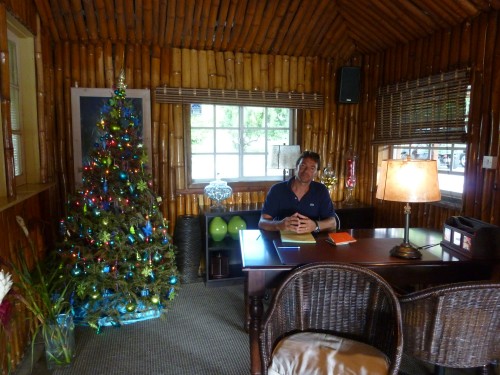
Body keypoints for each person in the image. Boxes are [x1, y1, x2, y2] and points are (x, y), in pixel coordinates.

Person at [258, 151, 337, 233]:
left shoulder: (321, 190)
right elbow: (262, 222)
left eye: (312, 168)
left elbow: (332, 222)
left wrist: (315, 225)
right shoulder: (277, 189)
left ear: (316, 173)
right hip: (281, 240)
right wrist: (279, 225)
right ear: (296, 167)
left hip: (312, 241)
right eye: (303, 166)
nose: (306, 171)